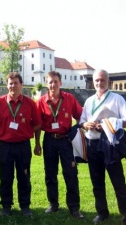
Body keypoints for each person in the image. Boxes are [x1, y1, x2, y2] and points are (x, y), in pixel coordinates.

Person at [79, 69, 126, 225]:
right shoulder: (89, 101)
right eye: (96, 80)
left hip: (110, 144)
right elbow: (82, 121)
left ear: (108, 81)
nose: (99, 83)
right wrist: (86, 124)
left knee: (118, 182)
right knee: (97, 182)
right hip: (92, 143)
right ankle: (102, 212)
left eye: (102, 80)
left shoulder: (117, 99)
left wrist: (107, 125)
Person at [34, 71, 84, 219]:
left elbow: (81, 116)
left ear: (60, 83)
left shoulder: (69, 99)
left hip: (66, 140)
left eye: (55, 81)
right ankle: (53, 204)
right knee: (50, 174)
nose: (53, 84)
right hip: (49, 140)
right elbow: (37, 125)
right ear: (46, 83)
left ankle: (74, 208)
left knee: (71, 174)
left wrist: (77, 132)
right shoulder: (42, 101)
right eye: (50, 82)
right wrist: (37, 144)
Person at [0, 72, 41, 217]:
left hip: (23, 146)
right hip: (5, 146)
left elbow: (37, 125)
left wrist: (37, 143)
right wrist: (1, 132)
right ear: (7, 85)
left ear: (21, 85)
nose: (13, 86)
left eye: (16, 83)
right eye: (10, 83)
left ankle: (25, 206)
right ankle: (6, 206)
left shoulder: (30, 103)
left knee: (24, 176)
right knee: (5, 177)